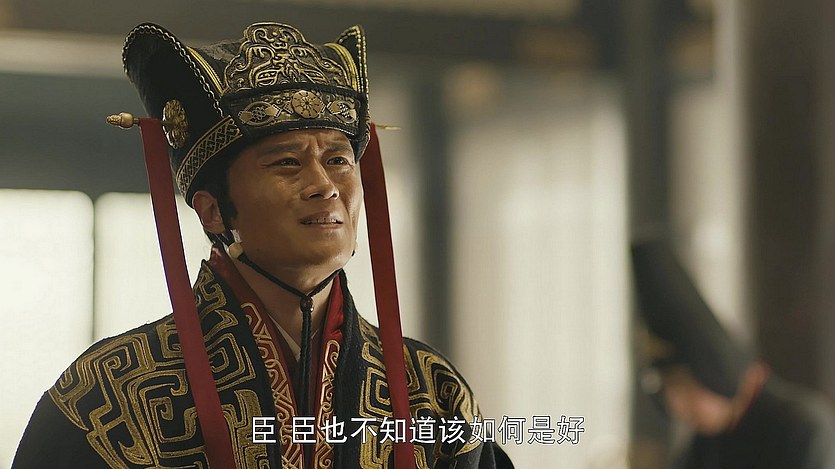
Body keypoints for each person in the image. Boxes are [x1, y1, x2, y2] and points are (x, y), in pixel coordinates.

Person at [12, 21, 513, 468]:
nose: (324, 186)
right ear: (213, 210)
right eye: (287, 163)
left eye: (338, 160)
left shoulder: (432, 391)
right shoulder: (110, 395)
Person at [631, 237, 835, 469]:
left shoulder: (802, 431)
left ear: (714, 371)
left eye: (685, 387)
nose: (677, 407)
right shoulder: (704, 445)